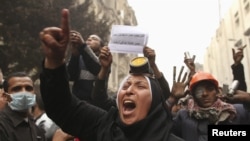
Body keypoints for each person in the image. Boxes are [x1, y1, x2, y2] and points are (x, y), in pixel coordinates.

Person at [39, 8, 184, 141]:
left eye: (140, 86)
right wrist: (55, 62)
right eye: (126, 85)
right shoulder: (104, 126)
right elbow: (61, 106)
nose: (129, 90)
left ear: (155, 102)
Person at [171, 71, 250, 141]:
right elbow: (162, 131)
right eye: (199, 90)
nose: (205, 94)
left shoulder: (234, 112)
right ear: (193, 95)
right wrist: (172, 99)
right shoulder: (183, 116)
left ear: (218, 92)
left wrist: (248, 99)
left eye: (210, 89)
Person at [0, 71, 46, 141]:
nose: (24, 92)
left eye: (28, 88)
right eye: (17, 89)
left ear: (34, 93)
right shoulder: (2, 126)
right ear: (5, 96)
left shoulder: (36, 128)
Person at [66, 30, 107, 102]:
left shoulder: (105, 60)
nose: (89, 39)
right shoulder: (79, 57)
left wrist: (83, 45)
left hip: (95, 104)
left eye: (94, 39)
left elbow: (96, 68)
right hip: (78, 102)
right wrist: (74, 55)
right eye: (88, 38)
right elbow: (70, 76)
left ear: (101, 48)